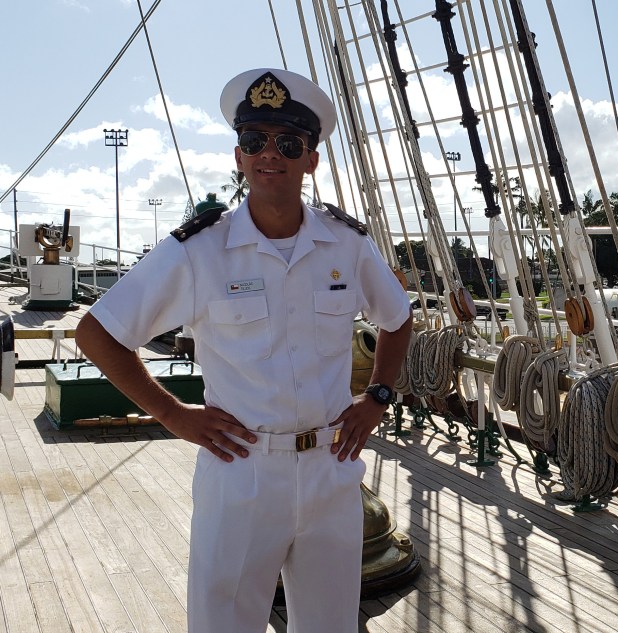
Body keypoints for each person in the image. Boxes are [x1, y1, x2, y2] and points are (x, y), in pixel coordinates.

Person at [77, 67, 412, 632]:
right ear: (238, 157)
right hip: (242, 474)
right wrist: (171, 413)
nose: (269, 155)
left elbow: (398, 319)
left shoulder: (347, 245)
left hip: (331, 471)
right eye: (254, 141)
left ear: (311, 159)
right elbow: (98, 332)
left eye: (288, 143)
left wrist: (377, 396)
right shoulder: (199, 251)